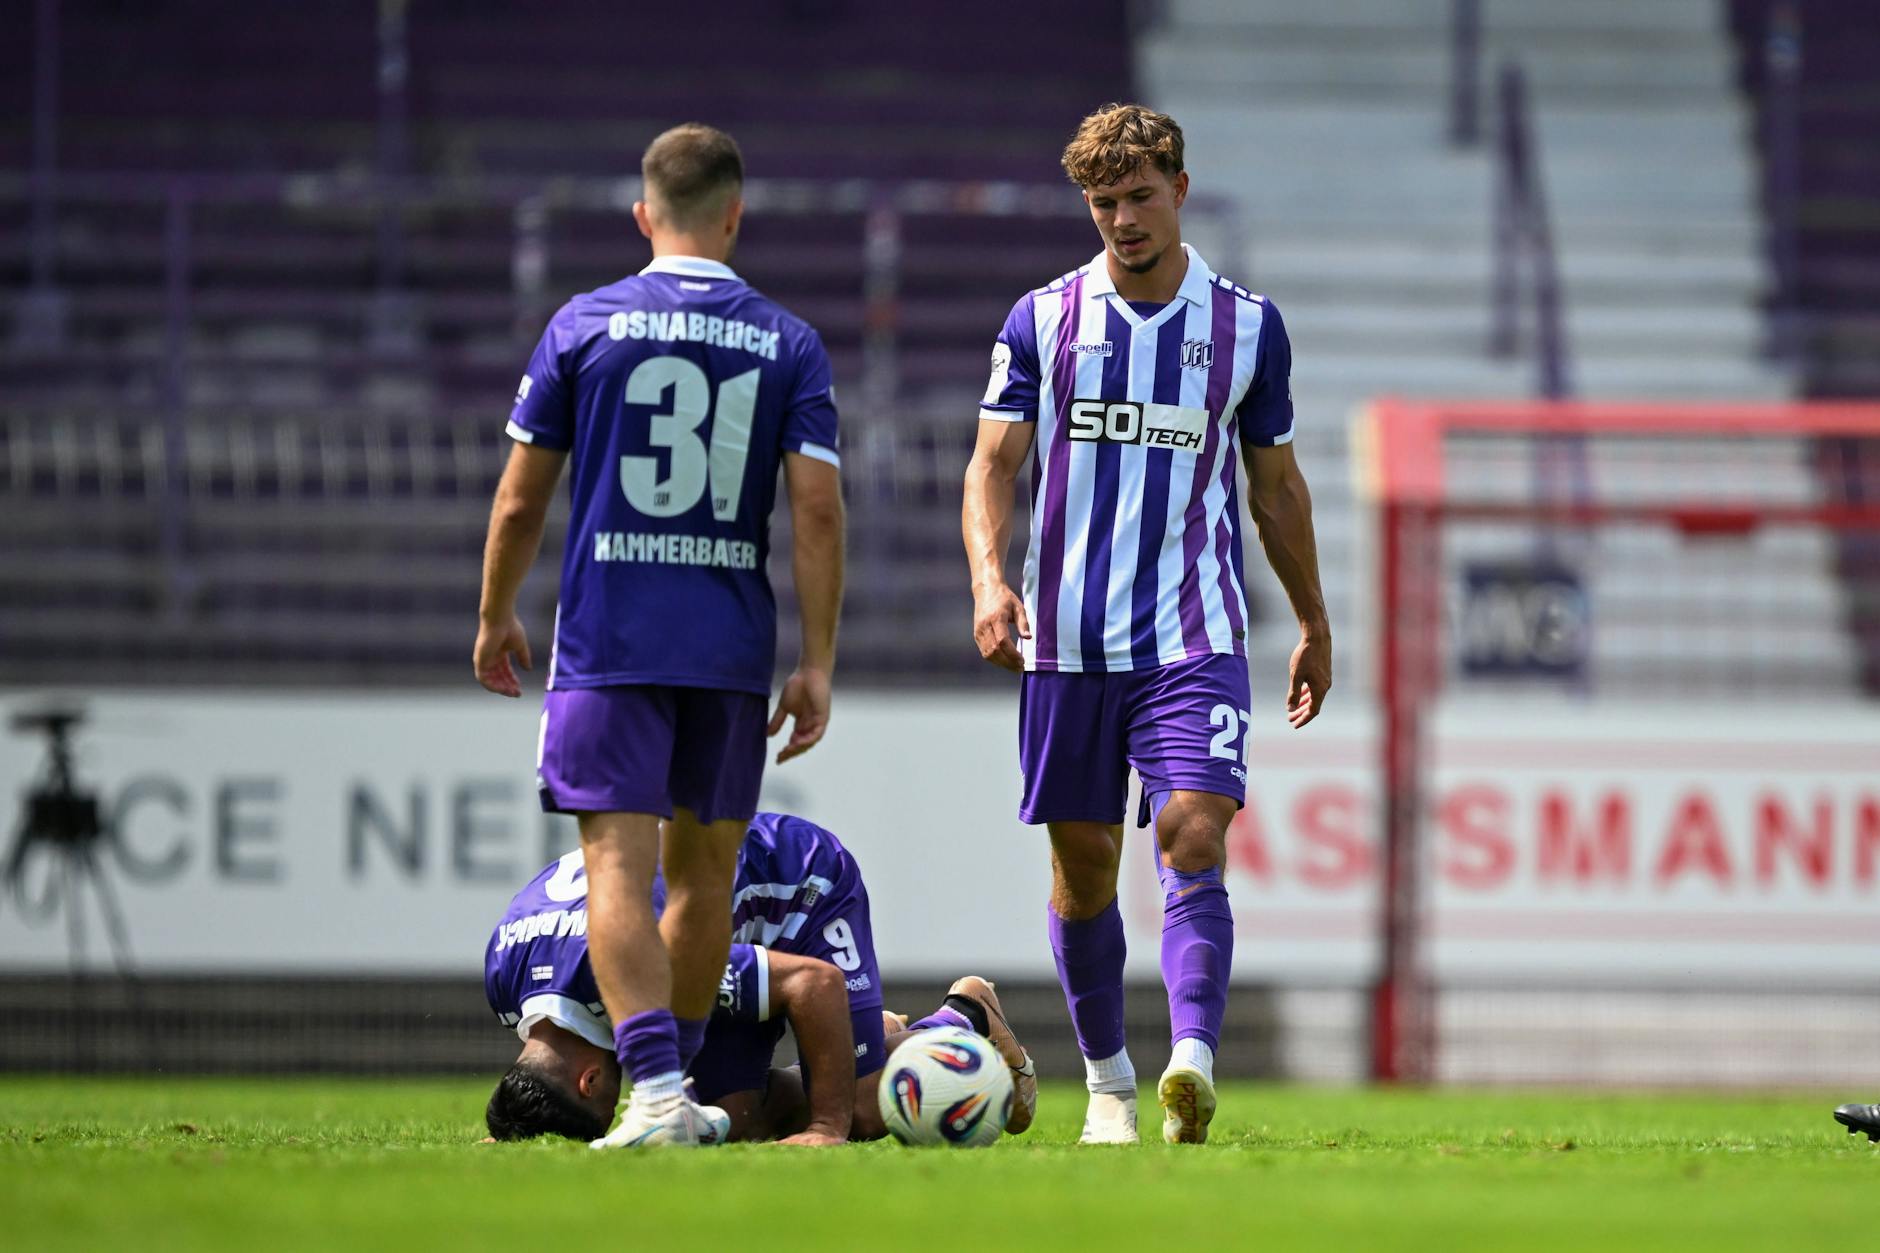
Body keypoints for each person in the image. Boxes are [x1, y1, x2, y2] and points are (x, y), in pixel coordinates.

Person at [961, 103, 1331, 1146]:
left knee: (1193, 832)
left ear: (1177, 186)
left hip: (1191, 634)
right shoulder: (1041, 319)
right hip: (1067, 642)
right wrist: (991, 583)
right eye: (1100, 203)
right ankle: (1109, 1084)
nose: (1120, 220)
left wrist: (1312, 617)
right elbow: (991, 465)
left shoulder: (1246, 326)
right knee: (1082, 871)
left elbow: (1275, 489)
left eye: (1136, 197)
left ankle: (1191, 1063)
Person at [473, 123, 846, 1148]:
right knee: (701, 879)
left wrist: (495, 608)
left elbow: (517, 500)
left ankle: (649, 1093)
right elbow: (815, 512)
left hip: (609, 641)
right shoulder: (787, 340)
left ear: (644, 215)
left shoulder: (582, 325)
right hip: (727, 648)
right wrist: (815, 660)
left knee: (612, 868)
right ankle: (670, 1087)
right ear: (733, 215)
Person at [483, 812, 1037, 1143]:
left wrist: (826, 1126)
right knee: (732, 1121)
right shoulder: (503, 975)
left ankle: (963, 1018)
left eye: (604, 1117)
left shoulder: (643, 964)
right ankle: (861, 1040)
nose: (617, 1108)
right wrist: (515, 1132)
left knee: (864, 1107)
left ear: (589, 1083)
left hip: (797, 885)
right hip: (713, 920)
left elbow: (815, 984)